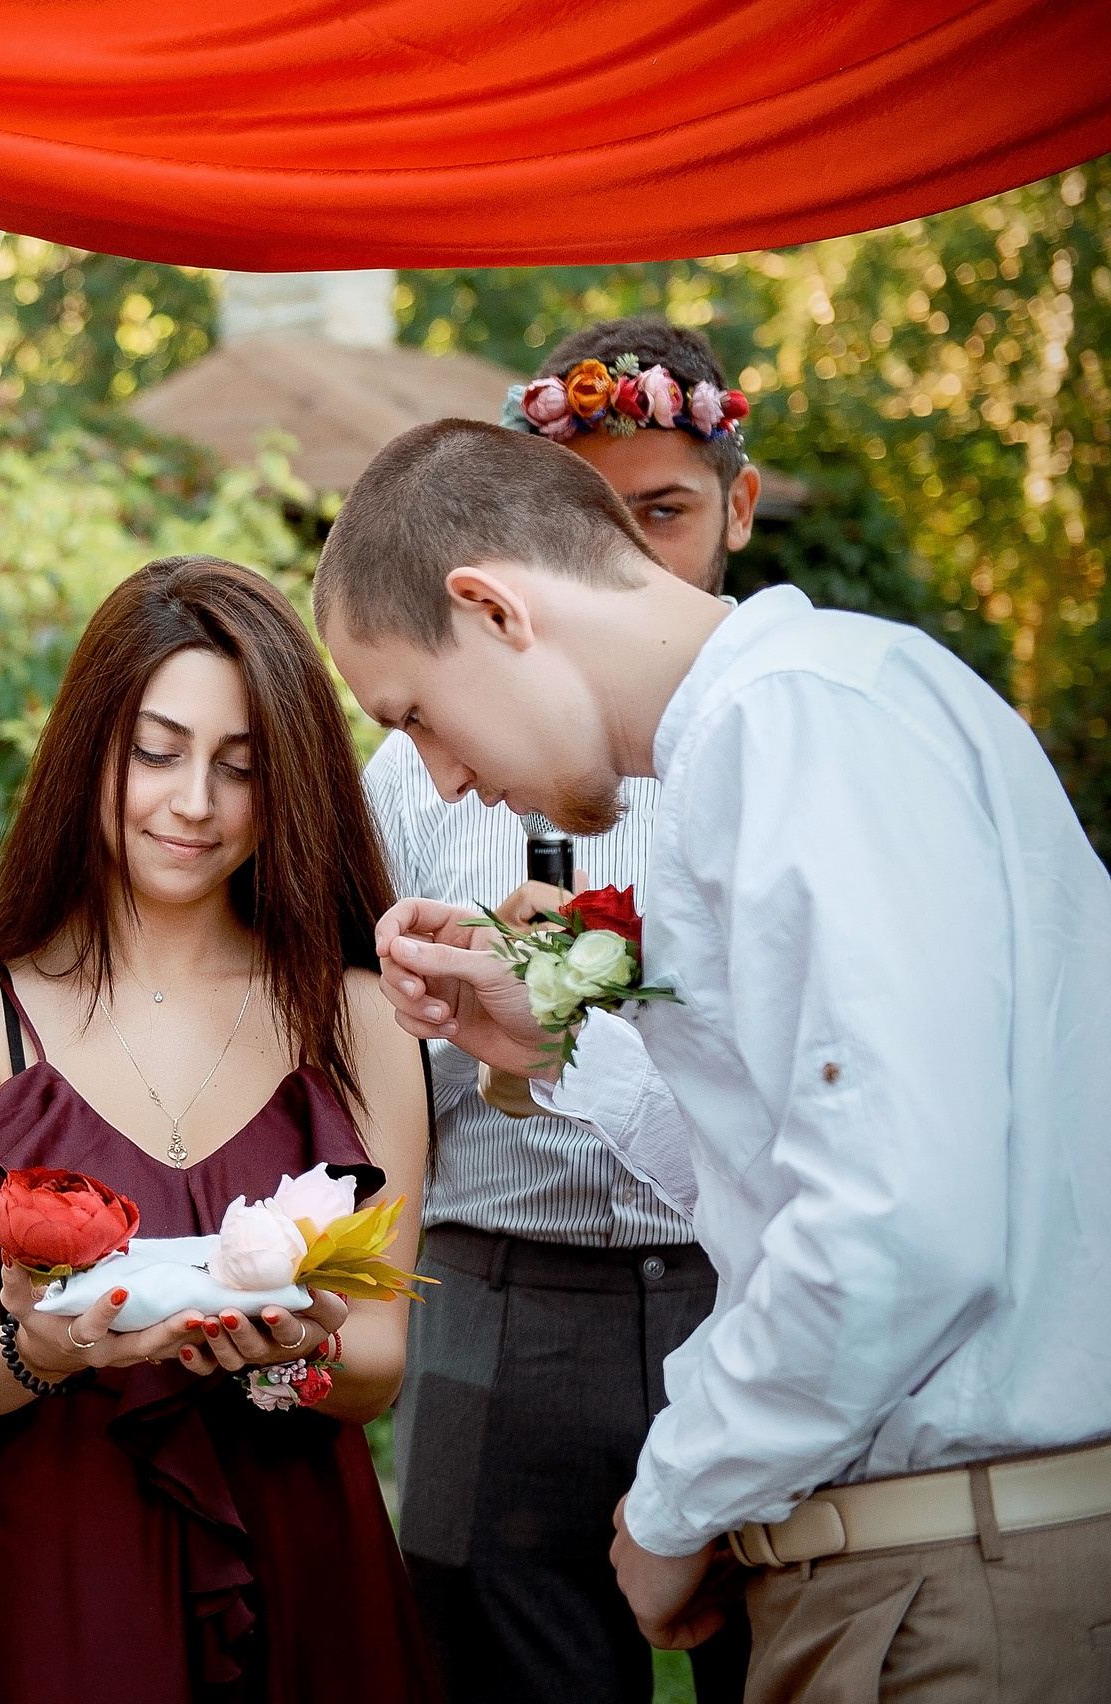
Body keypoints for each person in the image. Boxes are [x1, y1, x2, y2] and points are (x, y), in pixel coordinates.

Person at [317, 418, 1111, 1702]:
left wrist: (672, 1503)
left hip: (953, 1583)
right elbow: (805, 1162)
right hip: (922, 1564)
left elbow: (893, 1227)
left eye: (417, 714)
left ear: (492, 608)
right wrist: (563, 1050)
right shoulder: (782, 723)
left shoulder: (792, 725)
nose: (443, 782)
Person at [0, 556, 440, 1703]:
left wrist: (298, 1361)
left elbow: (376, 1364)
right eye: (156, 751)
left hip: (305, 1556)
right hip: (59, 1571)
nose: (193, 802)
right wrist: (42, 1353)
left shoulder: (359, 1014)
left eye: (240, 769)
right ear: (88, 745)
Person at [366, 317, 755, 1704]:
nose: (630, 559)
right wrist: (446, 990)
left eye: (664, 511)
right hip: (502, 1290)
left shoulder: (775, 759)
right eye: (596, 519)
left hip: (738, 1286)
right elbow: (371, 1072)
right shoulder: (415, 772)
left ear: (737, 508)